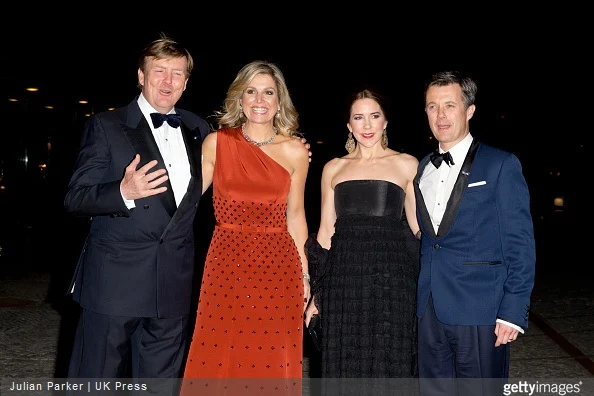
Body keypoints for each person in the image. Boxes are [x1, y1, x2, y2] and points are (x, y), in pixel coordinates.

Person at [64, 34, 211, 390]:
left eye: (177, 74)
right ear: (141, 77)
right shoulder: (107, 125)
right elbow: (75, 198)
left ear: (186, 82)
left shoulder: (199, 129)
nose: (168, 81)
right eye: (158, 71)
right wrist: (122, 192)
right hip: (114, 283)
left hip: (173, 285)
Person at [180, 60, 310, 395]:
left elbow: (296, 215)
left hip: (279, 269)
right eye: (251, 91)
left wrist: (306, 276)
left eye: (268, 92)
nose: (259, 99)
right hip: (226, 264)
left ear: (280, 102)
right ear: (240, 99)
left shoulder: (296, 151)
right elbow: (185, 202)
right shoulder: (217, 143)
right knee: (220, 355)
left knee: (271, 358)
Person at [414, 70, 536, 395]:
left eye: (450, 105)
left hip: (481, 310)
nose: (441, 115)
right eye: (432, 106)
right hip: (428, 309)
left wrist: (513, 311)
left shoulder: (501, 165)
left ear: (469, 111)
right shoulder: (422, 167)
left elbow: (520, 244)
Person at [304, 89, 420, 392]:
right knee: (346, 362)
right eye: (359, 118)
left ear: (385, 122)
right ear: (349, 125)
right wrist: (318, 293)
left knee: (389, 361)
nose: (367, 125)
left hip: (392, 280)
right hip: (345, 281)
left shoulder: (407, 164)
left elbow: (420, 230)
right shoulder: (334, 168)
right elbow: (326, 233)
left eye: (374, 116)